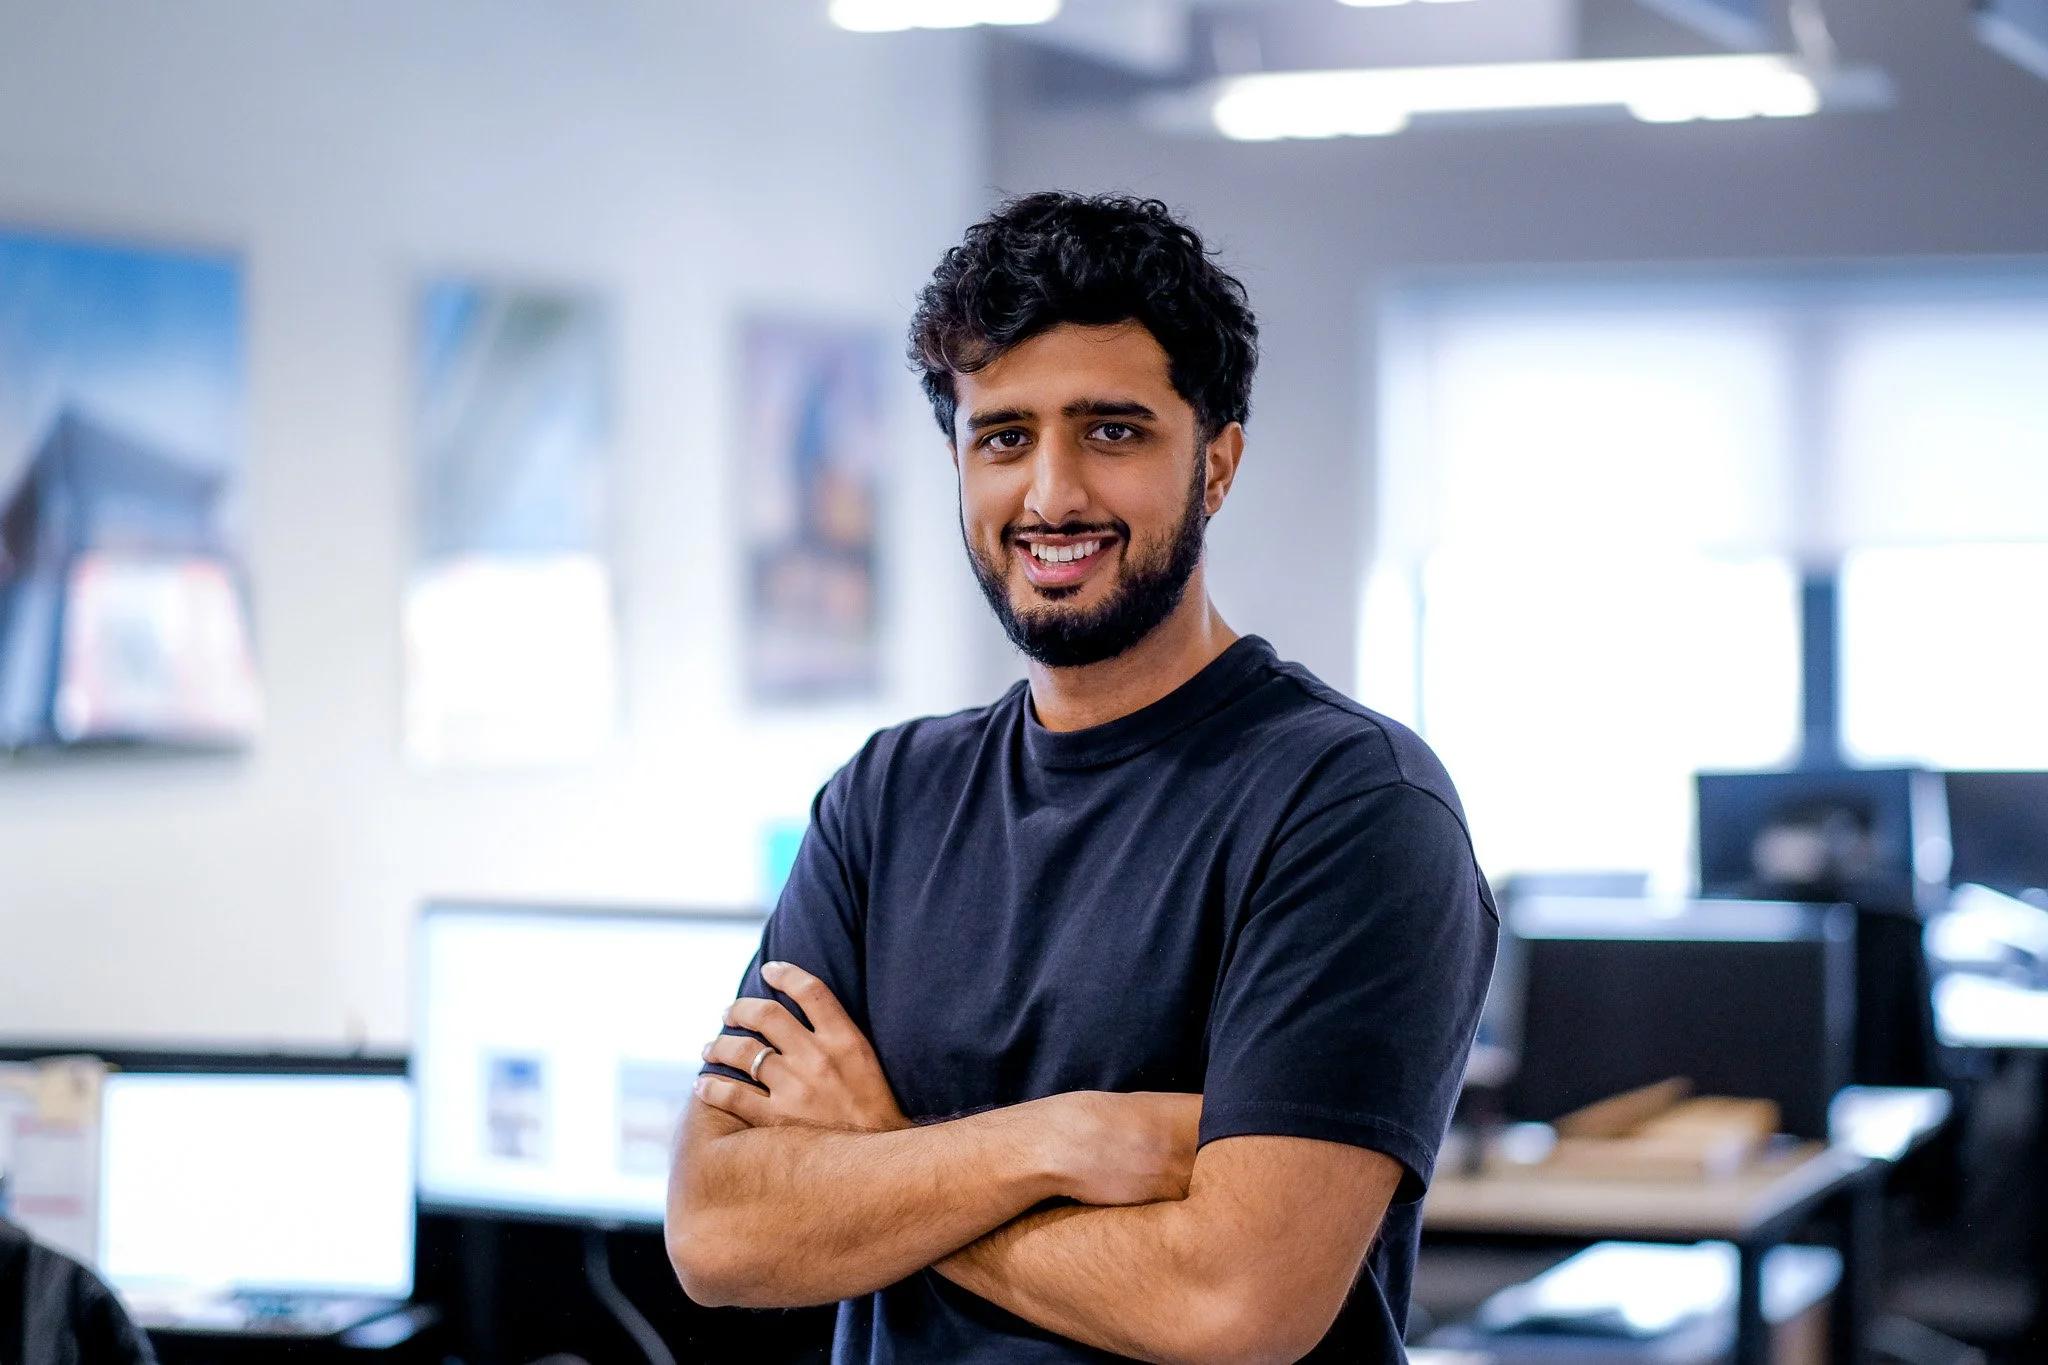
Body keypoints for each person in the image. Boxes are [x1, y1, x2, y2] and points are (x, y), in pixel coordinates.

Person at [666, 192, 1496, 1363]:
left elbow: (1231, 1307)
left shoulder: (1350, 807)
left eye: (1110, 431)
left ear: (1215, 463)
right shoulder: (884, 800)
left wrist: (879, 1155)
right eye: (1002, 436)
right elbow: (716, 1232)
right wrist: (1055, 1142)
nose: (1050, 496)